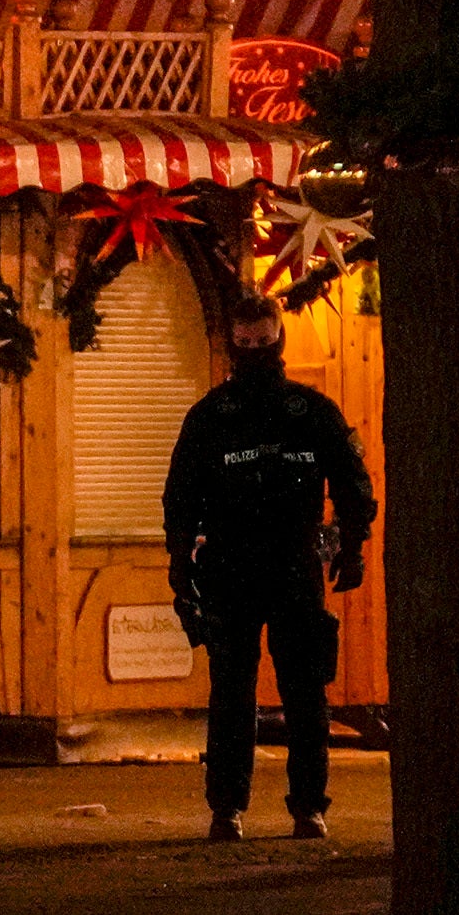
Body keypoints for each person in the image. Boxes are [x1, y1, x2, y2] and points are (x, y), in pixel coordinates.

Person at [162, 311, 376, 843]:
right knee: (231, 692)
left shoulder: (310, 412)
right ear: (233, 343)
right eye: (245, 341)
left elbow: (352, 484)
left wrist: (353, 547)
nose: (255, 350)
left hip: (292, 565)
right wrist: (179, 561)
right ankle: (227, 808)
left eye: (262, 340)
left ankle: (308, 807)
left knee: (305, 693)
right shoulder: (210, 417)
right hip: (231, 567)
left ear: (278, 340)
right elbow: (181, 496)